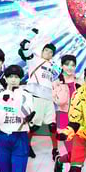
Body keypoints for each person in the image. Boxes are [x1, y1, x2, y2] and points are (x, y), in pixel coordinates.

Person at [19, 28, 60, 159]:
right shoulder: (34, 60)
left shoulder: (54, 67)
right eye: (46, 50)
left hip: (49, 98)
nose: (48, 53)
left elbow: (57, 80)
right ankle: (26, 146)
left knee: (53, 126)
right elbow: (24, 46)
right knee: (35, 126)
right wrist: (31, 34)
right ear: (42, 51)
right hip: (36, 97)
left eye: (51, 52)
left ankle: (55, 150)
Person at [52, 54, 80, 172]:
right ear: (62, 66)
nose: (70, 67)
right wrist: (63, 86)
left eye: (73, 65)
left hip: (78, 119)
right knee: (73, 153)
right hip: (63, 117)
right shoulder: (56, 83)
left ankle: (60, 160)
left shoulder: (79, 81)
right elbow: (60, 102)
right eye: (67, 64)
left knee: (79, 153)